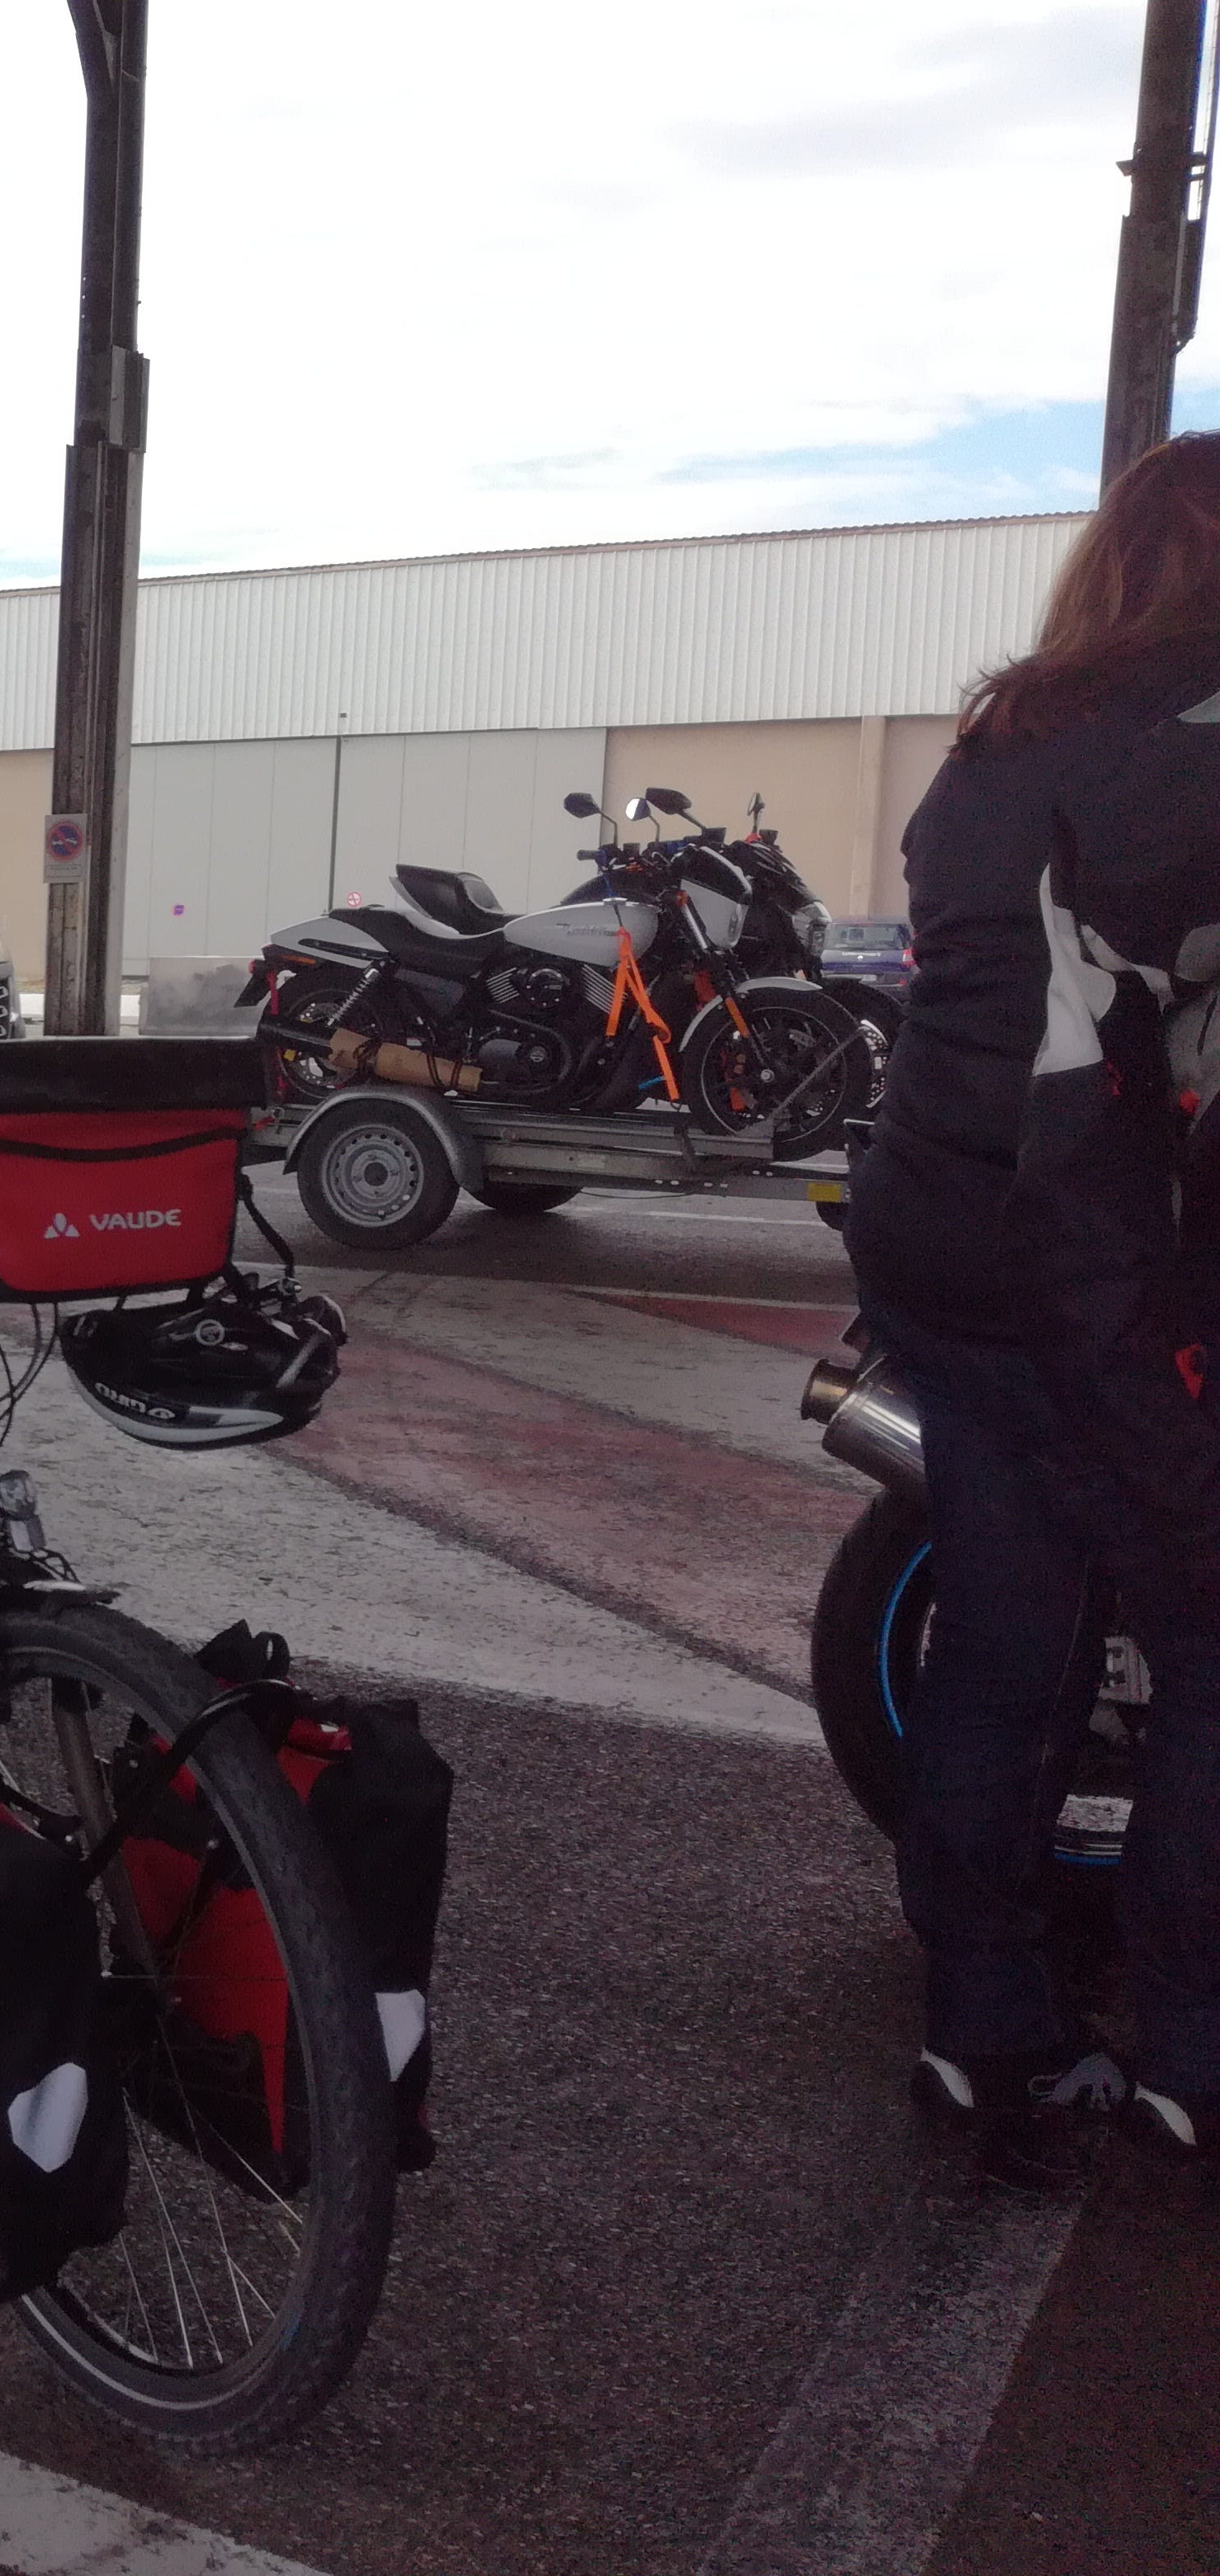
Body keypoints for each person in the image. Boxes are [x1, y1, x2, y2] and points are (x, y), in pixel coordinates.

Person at [848, 429, 1220, 2191]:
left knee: (1011, 1637)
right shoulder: (1195, 743)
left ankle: (982, 2024)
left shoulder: (999, 736)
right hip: (1103, 1246)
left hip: (938, 1223)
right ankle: (1196, 2057)